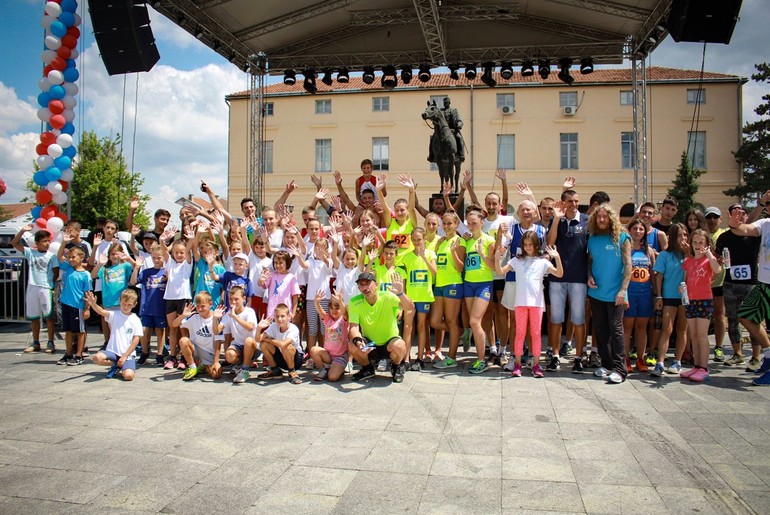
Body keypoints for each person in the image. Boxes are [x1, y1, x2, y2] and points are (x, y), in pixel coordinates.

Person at [495, 232, 563, 377]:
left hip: (537, 304)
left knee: (536, 334)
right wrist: (497, 257)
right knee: (519, 333)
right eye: (525, 245)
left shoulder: (543, 261)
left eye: (530, 245)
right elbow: (500, 271)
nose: (528, 247)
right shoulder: (516, 260)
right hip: (520, 303)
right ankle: (518, 364)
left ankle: (536, 364)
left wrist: (557, 258)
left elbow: (559, 274)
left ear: (536, 245)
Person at [725, 193, 770, 386]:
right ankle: (768, 353)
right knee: (745, 316)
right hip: (764, 283)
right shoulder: (765, 224)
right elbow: (744, 229)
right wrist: (735, 223)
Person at [586, 204, 632, 384]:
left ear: (611, 218)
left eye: (605, 217)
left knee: (616, 329)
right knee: (601, 330)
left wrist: (623, 290)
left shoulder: (622, 237)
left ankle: (621, 370)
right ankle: (607, 364)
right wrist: (589, 275)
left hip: (616, 294)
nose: (602, 220)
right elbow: (590, 261)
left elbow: (628, 265)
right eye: (599, 217)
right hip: (597, 292)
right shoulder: (592, 238)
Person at [546, 189, 590, 373]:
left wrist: (590, 274)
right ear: (563, 203)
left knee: (578, 319)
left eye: (576, 201)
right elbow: (549, 243)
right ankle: (555, 356)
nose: (573, 204)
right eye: (570, 201)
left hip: (579, 278)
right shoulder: (556, 220)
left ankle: (578, 357)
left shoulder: (587, 221)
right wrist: (556, 219)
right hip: (557, 277)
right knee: (556, 319)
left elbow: (591, 251)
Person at [715, 203, 760, 368]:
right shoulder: (724, 237)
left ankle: (755, 357)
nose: (739, 216)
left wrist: (760, 205)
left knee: (753, 319)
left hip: (751, 283)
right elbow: (718, 257)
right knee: (732, 319)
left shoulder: (754, 235)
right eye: (735, 212)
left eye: (742, 213)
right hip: (730, 283)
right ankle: (737, 353)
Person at [348, 271, 413, 383]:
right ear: (358, 288)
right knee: (352, 345)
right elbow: (353, 327)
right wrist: (359, 342)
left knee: (400, 345)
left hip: (389, 343)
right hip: (371, 344)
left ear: (376, 285)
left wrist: (401, 293)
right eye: (361, 284)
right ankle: (367, 369)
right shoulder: (354, 302)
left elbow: (410, 307)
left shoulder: (388, 297)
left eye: (368, 283)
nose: (365, 287)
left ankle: (395, 366)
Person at [680, 229, 721, 382]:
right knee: (694, 335)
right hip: (691, 300)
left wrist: (709, 254)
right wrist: (682, 288)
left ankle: (704, 367)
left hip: (705, 300)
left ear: (706, 244)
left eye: (701, 242)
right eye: (695, 242)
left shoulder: (708, 260)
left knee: (702, 335)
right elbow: (685, 280)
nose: (698, 245)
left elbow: (717, 269)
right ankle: (696, 365)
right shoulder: (688, 261)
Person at [12, 225, 57, 354]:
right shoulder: (30, 252)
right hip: (32, 287)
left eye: (48, 241)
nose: (47, 243)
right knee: (34, 317)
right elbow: (14, 243)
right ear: (37, 243)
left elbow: (55, 273)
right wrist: (22, 231)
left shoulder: (51, 256)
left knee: (48, 316)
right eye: (44, 241)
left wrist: (50, 285)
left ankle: (50, 341)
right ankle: (36, 342)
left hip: (45, 288)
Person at [651, 223, 688, 377]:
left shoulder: (690, 255)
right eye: (680, 235)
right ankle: (660, 362)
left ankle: (677, 361)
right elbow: (659, 276)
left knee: (682, 329)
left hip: (685, 297)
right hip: (669, 296)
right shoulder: (665, 255)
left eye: (685, 235)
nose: (683, 238)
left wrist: (689, 254)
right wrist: (658, 295)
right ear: (673, 237)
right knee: (667, 328)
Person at [462, 210, 497, 374]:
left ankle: (482, 360)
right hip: (469, 283)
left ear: (482, 222)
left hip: (483, 284)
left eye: (474, 222)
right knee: (474, 322)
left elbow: (494, 266)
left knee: (475, 322)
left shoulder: (489, 240)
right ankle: (480, 356)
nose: (471, 225)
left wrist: (482, 254)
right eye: (469, 223)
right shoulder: (467, 240)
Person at [431, 212, 465, 368]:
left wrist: (453, 252)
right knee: (435, 321)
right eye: (444, 223)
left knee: (451, 321)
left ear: (456, 224)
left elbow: (460, 267)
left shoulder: (460, 241)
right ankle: (461, 333)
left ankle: (451, 358)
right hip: (439, 284)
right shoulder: (441, 241)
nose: (446, 226)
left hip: (453, 284)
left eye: (449, 223)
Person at [84, 289, 143, 381]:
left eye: (129, 305)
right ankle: (115, 364)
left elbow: (136, 340)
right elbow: (101, 311)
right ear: (120, 301)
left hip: (128, 354)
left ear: (134, 304)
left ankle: (125, 366)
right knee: (97, 358)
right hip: (113, 351)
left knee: (128, 376)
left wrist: (125, 356)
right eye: (124, 304)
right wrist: (93, 304)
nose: (126, 307)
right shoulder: (114, 314)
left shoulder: (135, 319)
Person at [401, 227, 437, 370]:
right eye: (414, 239)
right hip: (410, 298)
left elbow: (434, 272)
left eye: (419, 239)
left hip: (424, 296)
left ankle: (420, 358)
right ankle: (405, 358)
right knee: (408, 327)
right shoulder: (407, 257)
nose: (417, 242)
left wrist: (423, 257)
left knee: (422, 326)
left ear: (424, 239)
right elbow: (403, 279)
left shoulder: (430, 253)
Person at [623, 218, 655, 372]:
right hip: (630, 292)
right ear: (629, 230)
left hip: (646, 294)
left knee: (642, 328)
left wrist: (657, 294)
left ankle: (641, 359)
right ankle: (625, 358)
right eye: (635, 228)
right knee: (627, 328)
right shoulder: (625, 249)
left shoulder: (648, 251)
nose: (638, 231)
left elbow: (653, 274)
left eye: (641, 229)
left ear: (645, 232)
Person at [160, 227, 194, 371]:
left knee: (183, 329)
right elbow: (163, 250)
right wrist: (163, 239)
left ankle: (184, 358)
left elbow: (189, 251)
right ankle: (172, 356)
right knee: (172, 328)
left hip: (183, 299)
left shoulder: (187, 264)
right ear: (172, 253)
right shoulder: (170, 263)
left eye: (182, 252)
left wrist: (191, 239)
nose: (179, 255)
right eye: (176, 252)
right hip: (170, 298)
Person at [55, 237, 92, 365]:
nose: (70, 260)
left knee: (80, 331)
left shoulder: (85, 275)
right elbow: (59, 255)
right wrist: (64, 242)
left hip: (78, 306)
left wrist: (87, 309)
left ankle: (79, 354)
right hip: (66, 304)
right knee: (68, 331)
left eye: (73, 257)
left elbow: (88, 293)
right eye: (69, 257)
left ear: (81, 258)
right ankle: (68, 353)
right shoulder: (67, 268)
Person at [175, 292, 226, 381]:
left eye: (203, 306)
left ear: (210, 304)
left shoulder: (217, 316)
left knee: (216, 374)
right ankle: (192, 366)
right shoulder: (194, 316)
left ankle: (202, 365)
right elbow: (174, 324)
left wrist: (216, 362)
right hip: (196, 349)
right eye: (198, 306)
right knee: (183, 340)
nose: (200, 309)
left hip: (209, 353)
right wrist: (183, 316)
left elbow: (218, 341)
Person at [130, 245, 167, 365]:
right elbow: (133, 282)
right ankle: (145, 352)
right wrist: (136, 268)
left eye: (159, 258)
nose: (156, 260)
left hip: (160, 307)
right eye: (154, 258)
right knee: (145, 330)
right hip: (147, 306)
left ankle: (160, 354)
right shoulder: (146, 272)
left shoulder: (166, 272)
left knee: (160, 331)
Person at [258, 303, 303, 384]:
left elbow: (283, 344)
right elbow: (258, 339)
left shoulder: (293, 328)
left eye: (282, 316)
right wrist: (259, 328)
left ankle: (292, 371)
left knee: (286, 346)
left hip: (295, 360)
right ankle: (275, 370)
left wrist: (270, 340)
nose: (279, 319)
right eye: (277, 316)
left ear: (288, 317)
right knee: (263, 344)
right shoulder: (274, 326)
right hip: (281, 358)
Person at [309, 291, 349, 382]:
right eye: (331, 308)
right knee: (314, 349)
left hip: (340, 356)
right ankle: (324, 369)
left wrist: (340, 302)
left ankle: (338, 369)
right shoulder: (328, 319)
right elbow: (320, 312)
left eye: (337, 308)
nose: (334, 311)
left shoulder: (343, 320)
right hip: (328, 355)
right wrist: (316, 302)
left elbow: (345, 313)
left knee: (332, 378)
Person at [704, 206, 727, 363]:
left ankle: (718, 347)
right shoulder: (702, 235)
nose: (712, 220)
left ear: (720, 219)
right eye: (709, 217)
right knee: (703, 317)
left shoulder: (725, 234)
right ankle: (701, 346)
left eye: (715, 217)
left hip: (719, 282)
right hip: (703, 284)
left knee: (720, 315)